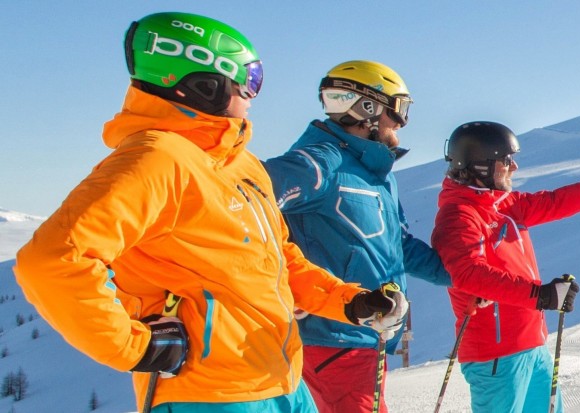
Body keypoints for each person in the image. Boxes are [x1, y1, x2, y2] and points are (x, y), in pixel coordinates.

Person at [12, 12, 407, 412]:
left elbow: (279, 260)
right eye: (249, 81)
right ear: (207, 85)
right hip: (209, 394)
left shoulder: (240, 165)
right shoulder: (156, 161)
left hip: (282, 382)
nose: (255, 95)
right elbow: (52, 261)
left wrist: (350, 302)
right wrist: (134, 347)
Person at [263, 60, 450, 413]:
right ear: (368, 108)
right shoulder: (320, 162)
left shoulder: (375, 174)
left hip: (363, 336)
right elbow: (245, 203)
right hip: (331, 339)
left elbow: (398, 247)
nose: (401, 123)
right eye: (398, 110)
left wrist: (461, 276)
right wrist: (284, 286)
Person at [432, 121, 580, 412]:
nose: (514, 168)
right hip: (495, 355)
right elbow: (468, 274)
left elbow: (556, 202)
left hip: (531, 345)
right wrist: (540, 295)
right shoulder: (459, 216)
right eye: (506, 160)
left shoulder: (504, 204)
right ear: (481, 166)